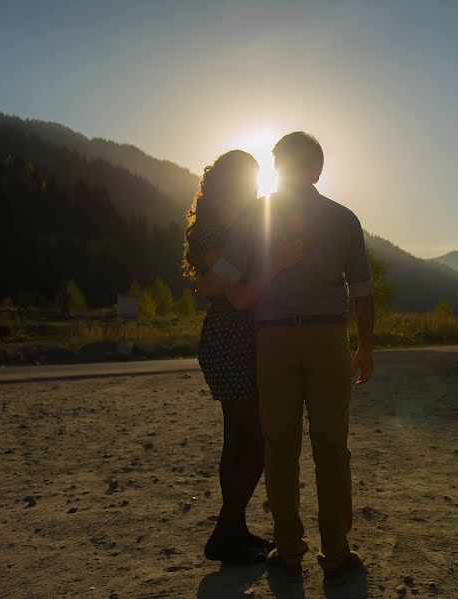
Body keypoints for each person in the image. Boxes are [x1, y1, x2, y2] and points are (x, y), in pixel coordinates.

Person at [205, 132, 375, 587]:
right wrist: (365, 347)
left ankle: (290, 554)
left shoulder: (253, 216)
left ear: (276, 166)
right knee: (332, 449)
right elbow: (362, 293)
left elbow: (222, 283)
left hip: (274, 340)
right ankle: (336, 554)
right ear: (318, 170)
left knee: (280, 448)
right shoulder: (343, 218)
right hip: (328, 337)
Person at [183, 150, 304, 564]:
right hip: (230, 336)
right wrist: (274, 264)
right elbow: (229, 292)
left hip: (238, 336)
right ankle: (226, 531)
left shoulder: (232, 226)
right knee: (252, 437)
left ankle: (232, 529)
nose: (252, 186)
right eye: (246, 179)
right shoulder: (215, 232)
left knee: (237, 437)